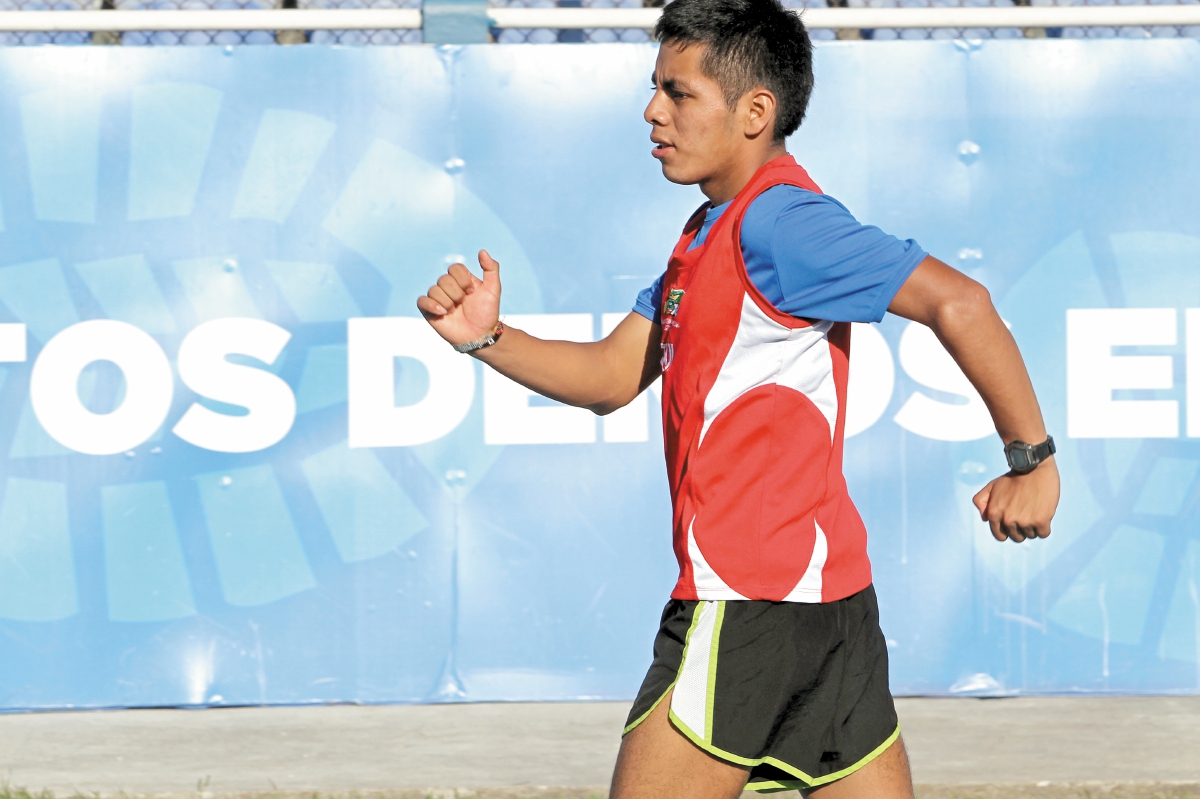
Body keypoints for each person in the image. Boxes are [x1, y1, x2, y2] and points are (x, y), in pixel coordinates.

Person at [417, 0, 1060, 795]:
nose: (653, 111)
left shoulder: (782, 223)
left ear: (756, 111)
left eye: (678, 93)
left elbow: (959, 301)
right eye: (655, 88)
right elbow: (614, 376)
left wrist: (1031, 458)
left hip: (744, 607)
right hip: (830, 610)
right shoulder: (704, 232)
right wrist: (487, 336)